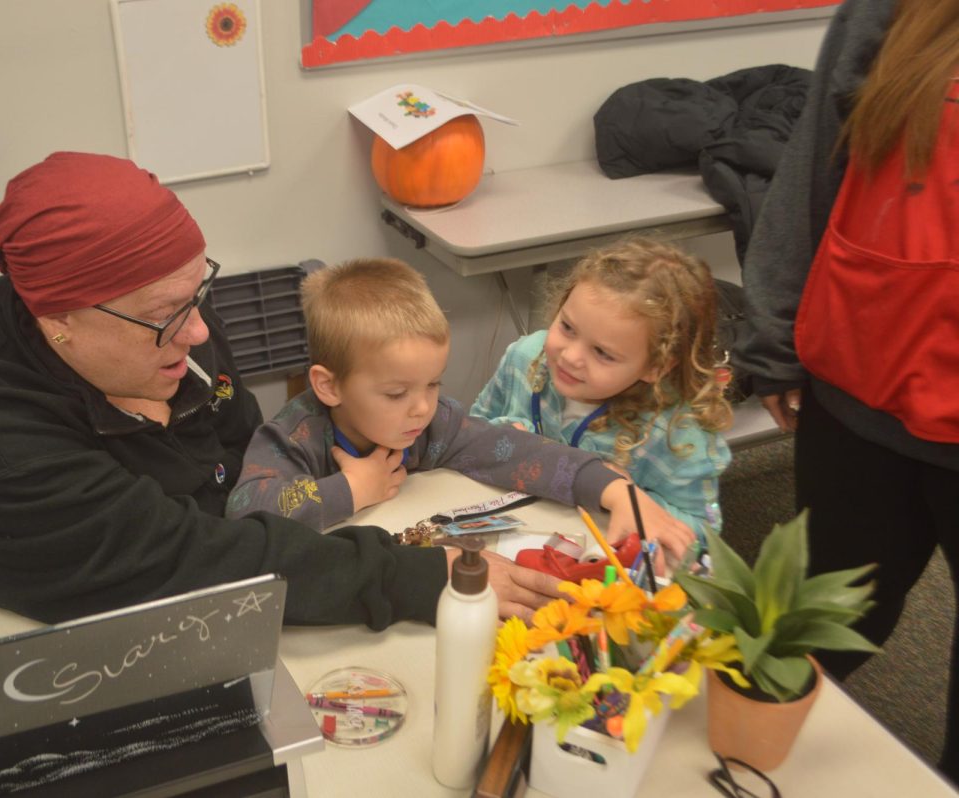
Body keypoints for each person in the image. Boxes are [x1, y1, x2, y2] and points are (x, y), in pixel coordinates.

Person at [0, 152, 566, 626]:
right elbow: (184, 565)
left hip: (68, 581)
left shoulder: (160, 307)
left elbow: (227, 457)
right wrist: (416, 578)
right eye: (164, 317)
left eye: (196, 293)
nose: (200, 333)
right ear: (59, 321)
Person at [732, 0, 959, 779]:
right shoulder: (898, 12)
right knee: (800, 634)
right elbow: (815, 165)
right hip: (863, 394)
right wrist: (778, 338)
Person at [225, 258, 690, 555]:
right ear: (329, 387)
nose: (422, 408)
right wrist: (352, 487)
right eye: (396, 393)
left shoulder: (435, 423)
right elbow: (245, 513)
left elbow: (517, 452)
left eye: (433, 383)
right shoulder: (294, 434)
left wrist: (610, 488)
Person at [471, 238, 733, 553]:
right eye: (567, 327)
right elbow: (470, 430)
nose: (570, 356)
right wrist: (504, 435)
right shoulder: (524, 357)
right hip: (513, 535)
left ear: (655, 367)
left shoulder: (679, 433)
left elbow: (704, 534)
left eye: (602, 353)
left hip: (602, 563)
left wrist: (625, 495)